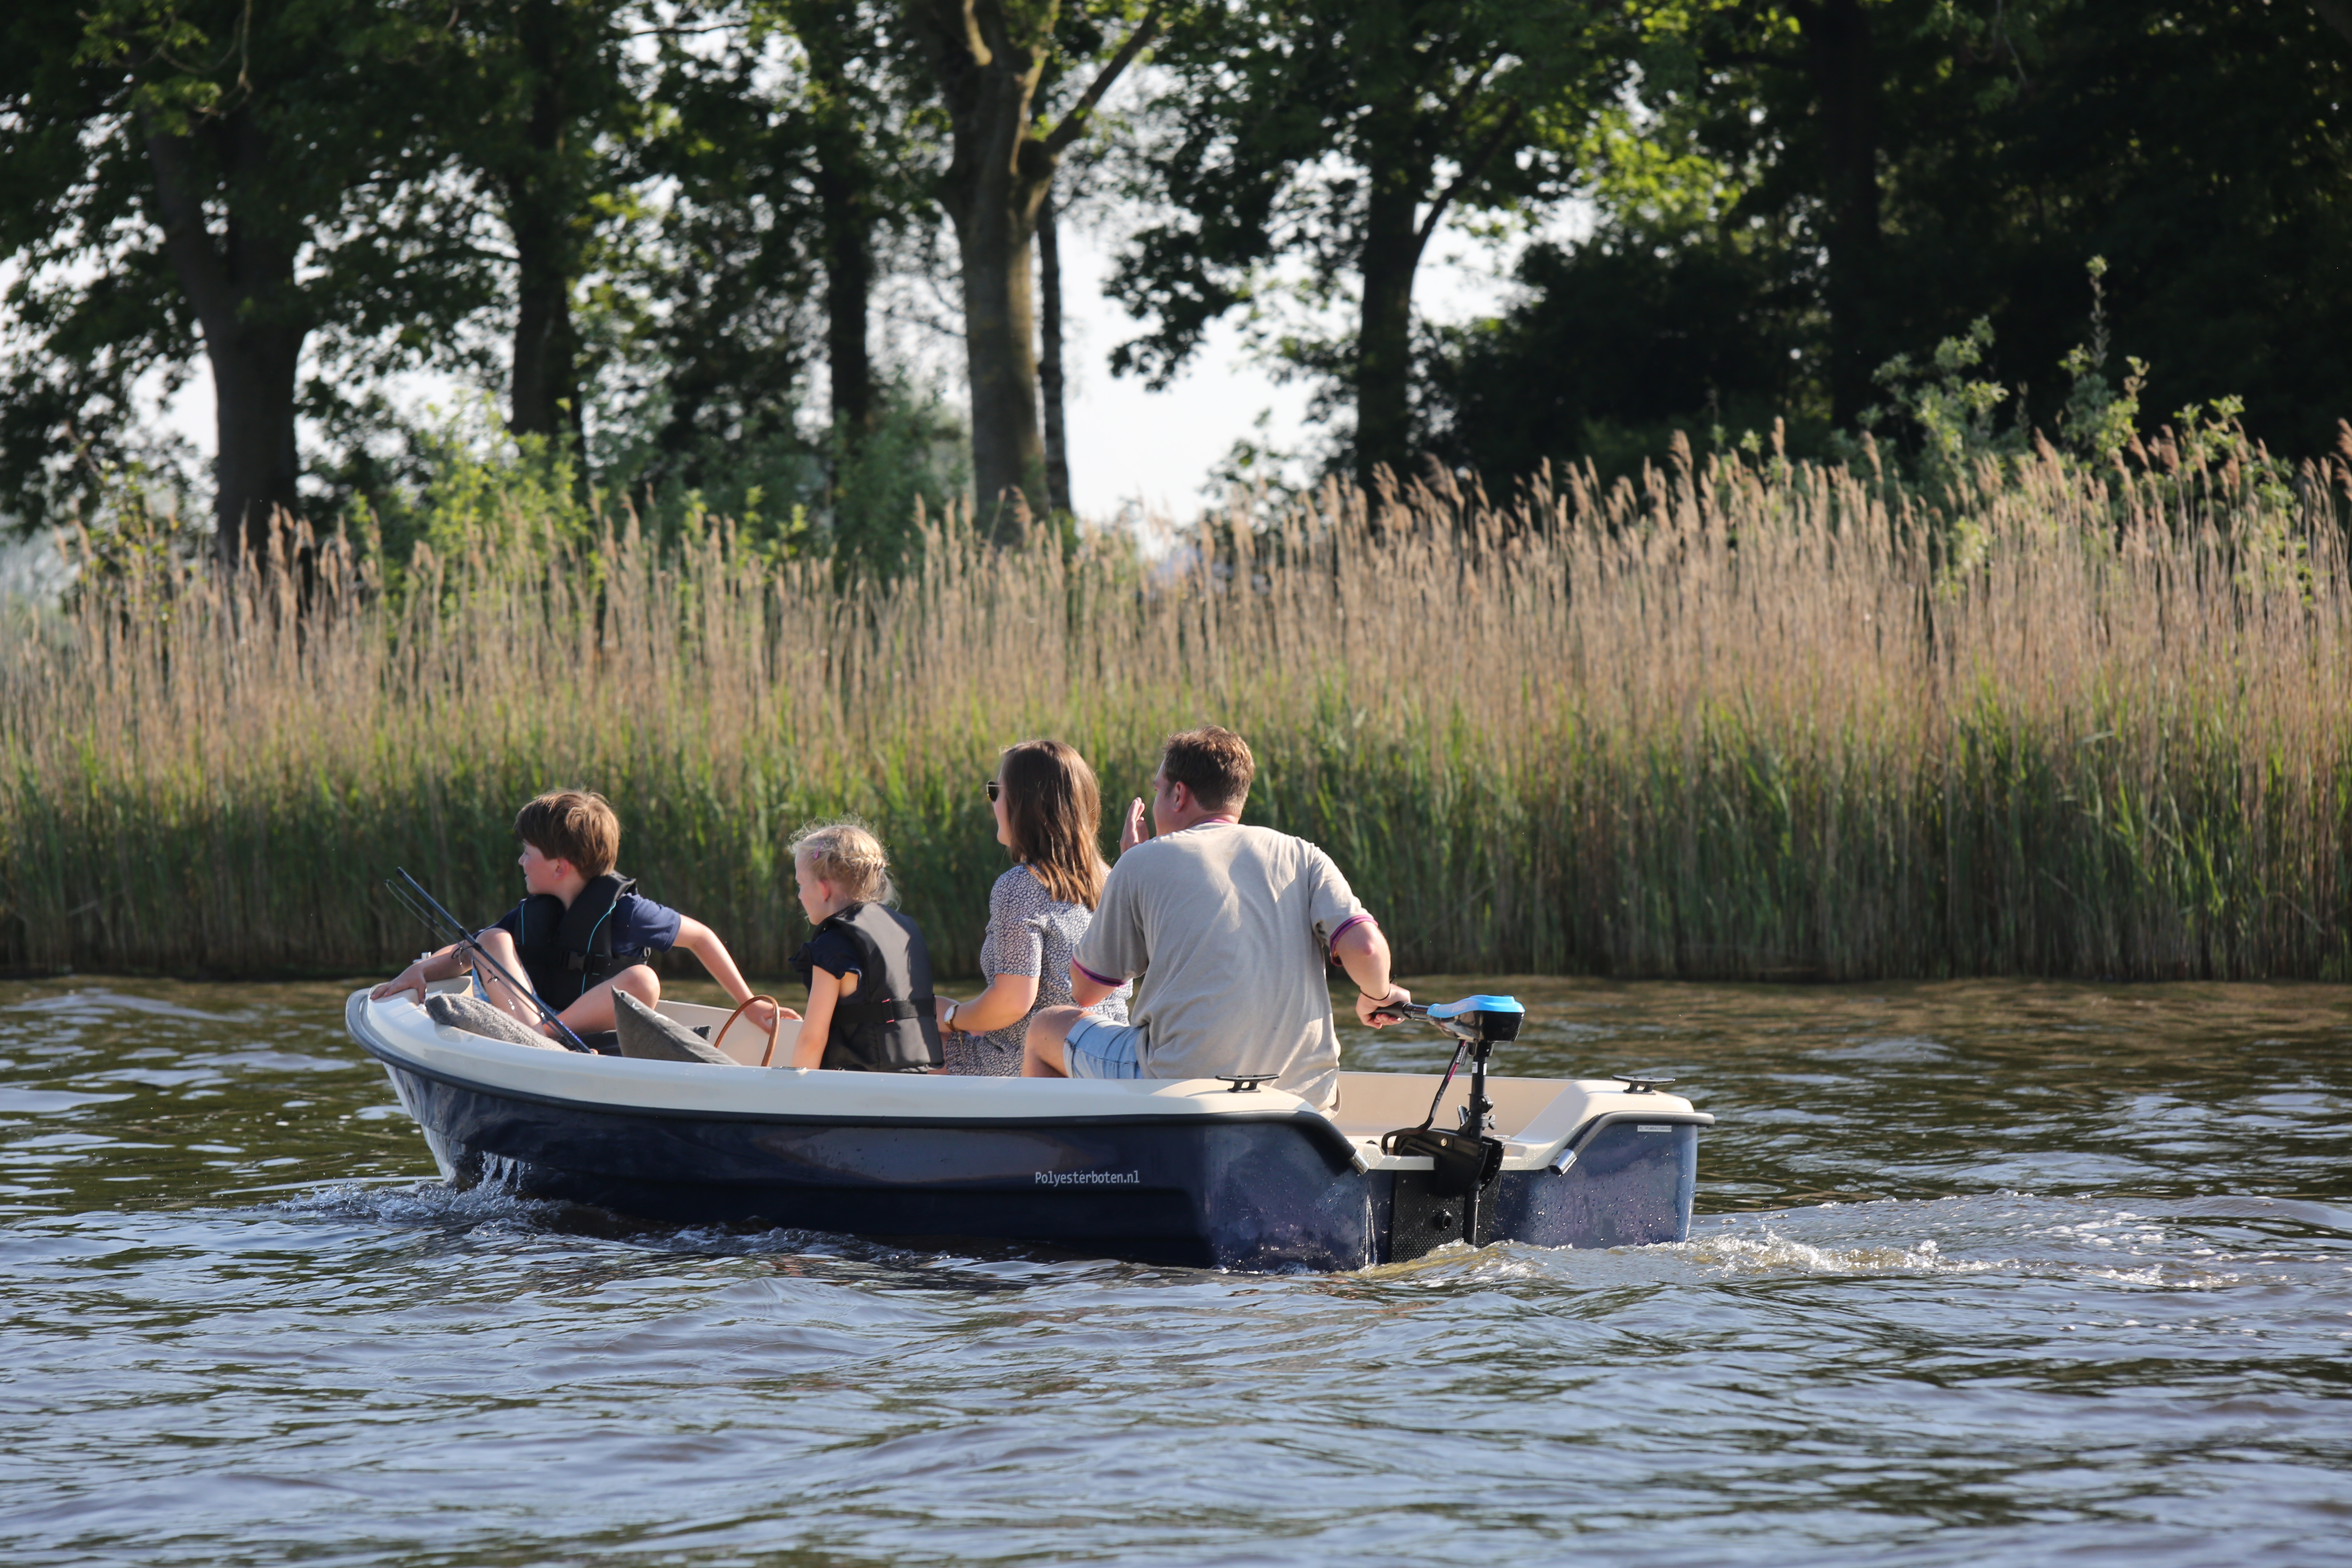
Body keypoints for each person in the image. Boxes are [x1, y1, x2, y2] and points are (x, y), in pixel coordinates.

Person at [1023, 726, 1410, 1110]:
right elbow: (1366, 947)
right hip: (1303, 1096)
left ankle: (1083, 1172)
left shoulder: (1141, 862)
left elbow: (1087, 991)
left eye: (1159, 790)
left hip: (1178, 1084)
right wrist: (1377, 995)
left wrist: (1129, 872)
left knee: (1046, 1028)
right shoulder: (1303, 855)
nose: (1156, 801)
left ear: (1179, 795)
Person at [372, 789, 781, 1046]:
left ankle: (541, 1039)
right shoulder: (531, 913)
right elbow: (467, 953)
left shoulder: (627, 912)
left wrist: (747, 1003)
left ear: (559, 867)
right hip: (528, 1015)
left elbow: (702, 938)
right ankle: (532, 1034)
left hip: (584, 1032)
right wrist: (422, 969)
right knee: (492, 940)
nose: (520, 861)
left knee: (644, 980)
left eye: (528, 853)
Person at [934, 739, 1131, 1076]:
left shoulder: (1021, 886)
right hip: (1105, 1055)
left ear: (1024, 803)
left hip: (1029, 1062)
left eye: (995, 790)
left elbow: (1013, 1001)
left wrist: (951, 1016)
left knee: (915, 1035)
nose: (993, 802)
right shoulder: (1113, 881)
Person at [788, 821, 944, 1071]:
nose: (799, 895)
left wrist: (793, 1100)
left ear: (823, 888)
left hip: (859, 1088)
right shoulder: (904, 931)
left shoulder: (833, 947)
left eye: (801, 885)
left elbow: (812, 1039)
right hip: (918, 1078)